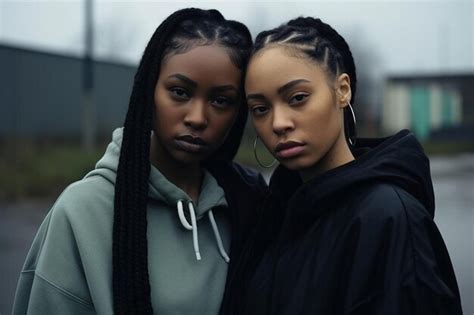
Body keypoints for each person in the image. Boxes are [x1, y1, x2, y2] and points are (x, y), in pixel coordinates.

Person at [13, 8, 267, 314]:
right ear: (149, 90)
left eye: (220, 100)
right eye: (179, 92)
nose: (197, 118)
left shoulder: (248, 203)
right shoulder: (82, 212)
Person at [222, 17, 463, 315]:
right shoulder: (273, 215)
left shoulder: (390, 217)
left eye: (297, 98)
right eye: (260, 109)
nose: (278, 123)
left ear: (342, 90)